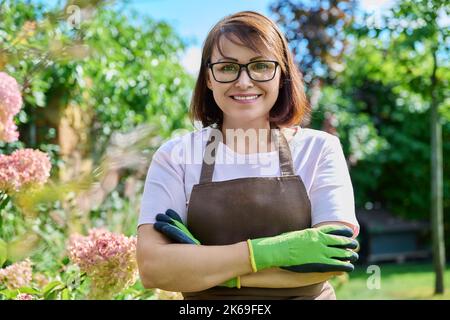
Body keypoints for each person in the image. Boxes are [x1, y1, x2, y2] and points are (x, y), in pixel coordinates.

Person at [137, 11, 360, 300]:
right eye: (228, 67)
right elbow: (153, 269)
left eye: (260, 66)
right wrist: (264, 253)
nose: (244, 82)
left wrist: (207, 269)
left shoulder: (319, 149)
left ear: (282, 75)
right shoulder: (175, 157)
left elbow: (333, 259)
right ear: (208, 78)